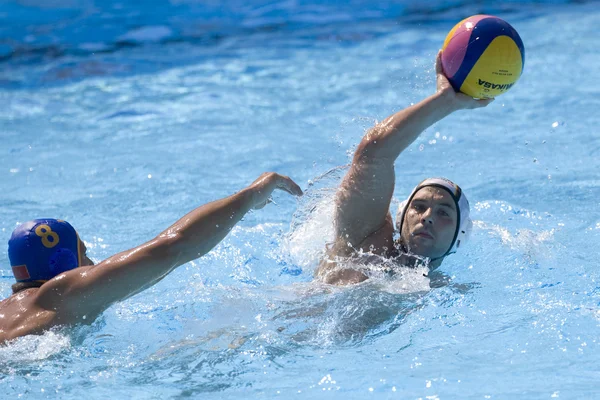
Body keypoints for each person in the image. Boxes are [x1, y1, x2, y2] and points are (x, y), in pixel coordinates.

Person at [0, 172, 302, 344]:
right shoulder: (63, 293)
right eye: (85, 253)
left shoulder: (8, 312)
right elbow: (172, 247)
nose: (91, 264)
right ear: (64, 262)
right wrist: (249, 196)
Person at [316, 51, 493, 285]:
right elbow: (373, 153)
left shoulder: (444, 289)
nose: (427, 217)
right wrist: (444, 102)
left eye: (443, 212)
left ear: (460, 236)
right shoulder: (368, 241)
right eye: (419, 207)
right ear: (401, 217)